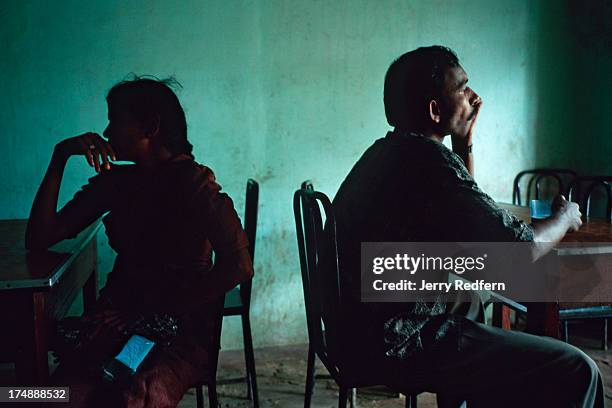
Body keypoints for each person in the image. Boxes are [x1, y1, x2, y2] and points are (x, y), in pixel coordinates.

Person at [331, 46, 603, 407]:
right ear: (434, 110)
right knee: (578, 369)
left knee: (470, 299)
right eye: (463, 88)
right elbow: (517, 252)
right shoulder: (426, 162)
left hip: (354, 330)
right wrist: (565, 217)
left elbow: (468, 229)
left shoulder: (390, 152)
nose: (475, 98)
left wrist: (464, 144)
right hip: (395, 339)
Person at [26, 77, 253, 407]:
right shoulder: (119, 183)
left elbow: (240, 266)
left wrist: (155, 308)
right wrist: (60, 155)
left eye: (115, 120)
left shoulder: (194, 184)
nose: (106, 133)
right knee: (45, 398)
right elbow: (40, 238)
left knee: (134, 395)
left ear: (150, 126)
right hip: (113, 322)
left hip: (177, 331)